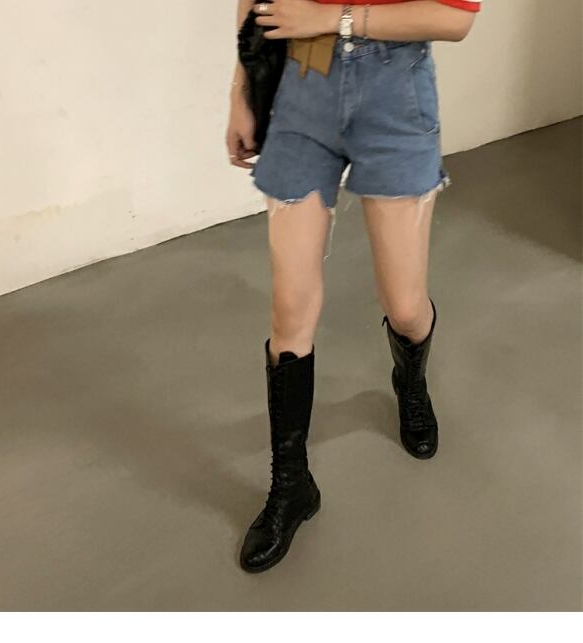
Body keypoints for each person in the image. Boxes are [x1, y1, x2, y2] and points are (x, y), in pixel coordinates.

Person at [226, 0, 481, 573]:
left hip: (394, 93)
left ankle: (409, 381)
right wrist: (241, 89)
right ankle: (291, 485)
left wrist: (332, 19)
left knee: (405, 306)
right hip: (301, 87)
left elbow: (455, 17)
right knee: (289, 308)